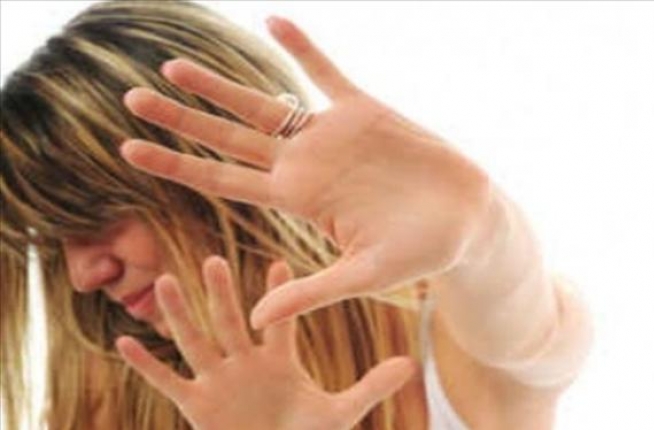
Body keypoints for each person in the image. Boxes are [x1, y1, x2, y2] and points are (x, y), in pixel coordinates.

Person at [0, 1, 595, 429]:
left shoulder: (436, 345)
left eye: (97, 214)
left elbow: (538, 346)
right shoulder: (101, 401)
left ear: (213, 160)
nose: (84, 275)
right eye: (55, 240)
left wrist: (487, 232)